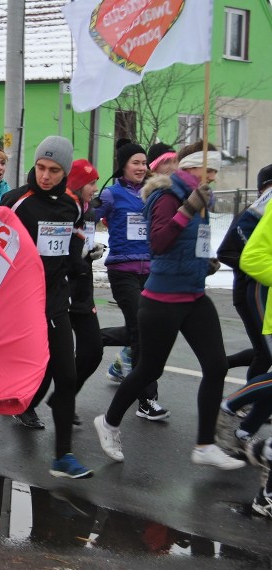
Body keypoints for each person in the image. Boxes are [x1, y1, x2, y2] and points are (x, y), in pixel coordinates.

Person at [93, 141, 245, 470]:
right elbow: (159, 242)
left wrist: (203, 263)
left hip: (193, 295)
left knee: (216, 366)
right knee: (149, 368)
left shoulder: (203, 197)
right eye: (211, 167)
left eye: (216, 169)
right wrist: (188, 208)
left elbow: (190, 245)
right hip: (162, 299)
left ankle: (204, 445)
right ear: (191, 166)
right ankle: (108, 422)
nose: (215, 175)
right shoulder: (166, 196)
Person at [0, 136, 93, 479]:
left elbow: (69, 251)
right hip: (18, 303)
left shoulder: (71, 206)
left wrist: (80, 266)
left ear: (64, 172)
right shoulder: (17, 201)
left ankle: (63, 455)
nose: (45, 175)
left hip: (54, 302)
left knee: (67, 375)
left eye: (54, 170)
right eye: (41, 167)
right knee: (6, 375)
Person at [93, 140, 169, 420]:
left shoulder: (153, 193)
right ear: (123, 166)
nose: (141, 167)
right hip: (123, 271)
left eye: (143, 162)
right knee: (142, 332)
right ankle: (147, 399)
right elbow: (88, 219)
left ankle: (94, 338)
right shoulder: (112, 195)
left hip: (150, 271)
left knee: (146, 330)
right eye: (135, 162)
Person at [217, 164, 272, 380]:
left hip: (263, 290)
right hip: (248, 290)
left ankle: (219, 365)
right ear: (262, 188)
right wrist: (254, 270)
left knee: (264, 351)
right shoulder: (252, 213)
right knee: (265, 353)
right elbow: (225, 252)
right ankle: (245, 401)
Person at [66, 159, 106, 417]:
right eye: (91, 182)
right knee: (51, 359)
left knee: (92, 352)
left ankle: (64, 398)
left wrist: (90, 252)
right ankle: (28, 404)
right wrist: (79, 254)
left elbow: (82, 246)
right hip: (60, 292)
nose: (94, 187)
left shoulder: (88, 211)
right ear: (78, 183)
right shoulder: (64, 209)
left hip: (83, 290)